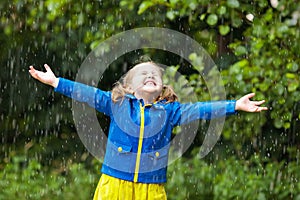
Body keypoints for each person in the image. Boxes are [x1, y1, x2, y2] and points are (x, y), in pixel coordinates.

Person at [29, 61, 267, 200]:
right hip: (114, 184)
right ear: (130, 87)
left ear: (162, 87)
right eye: (143, 74)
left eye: (155, 75)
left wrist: (234, 105)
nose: (150, 76)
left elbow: (200, 109)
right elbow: (87, 94)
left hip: (150, 188)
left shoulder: (170, 112)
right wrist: (56, 82)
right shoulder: (117, 103)